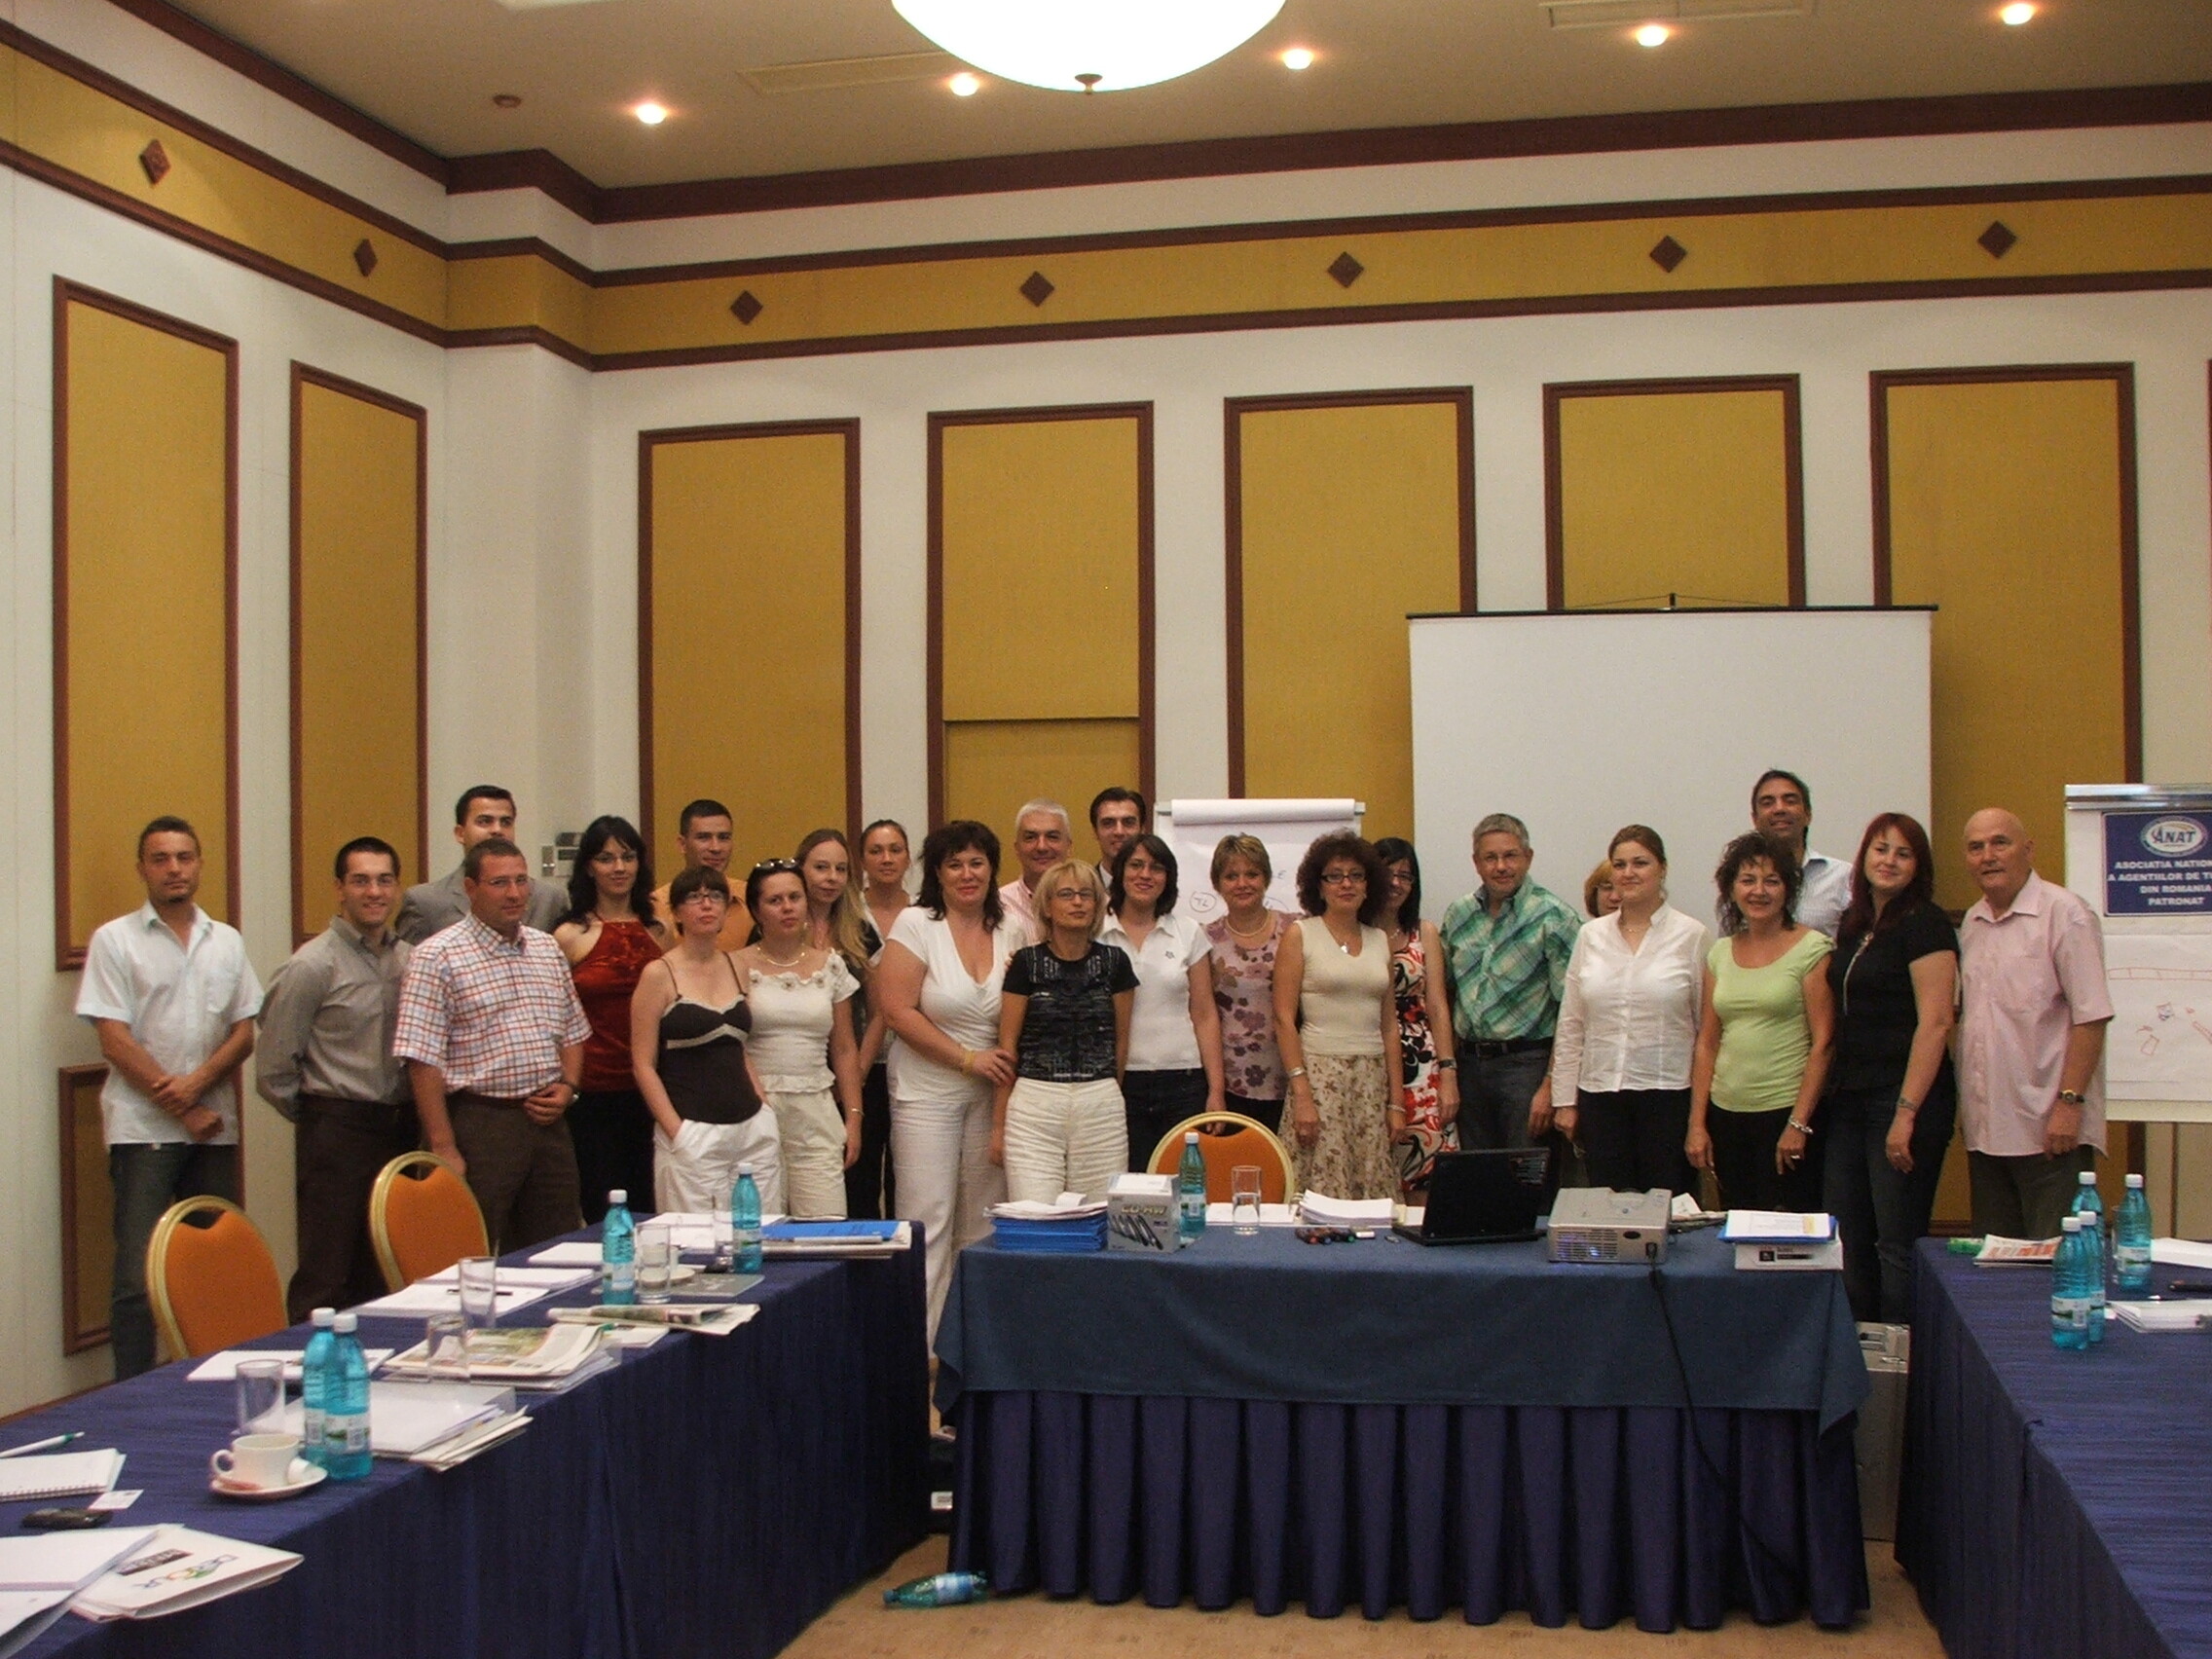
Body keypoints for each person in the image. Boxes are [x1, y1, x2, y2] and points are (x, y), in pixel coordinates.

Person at [76, 817, 262, 1379]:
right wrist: (186, 1106)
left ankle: (217, 1385)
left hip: (215, 1130)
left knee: (216, 1265)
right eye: (160, 859)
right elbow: (113, 1039)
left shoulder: (226, 940)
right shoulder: (115, 940)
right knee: (138, 1279)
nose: (174, 869)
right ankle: (132, 1396)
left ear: (199, 864)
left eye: (184, 857)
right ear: (142, 869)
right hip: (143, 1131)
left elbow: (244, 1032)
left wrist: (199, 1087)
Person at [392, 837, 590, 1252]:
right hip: (479, 1122)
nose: (515, 893)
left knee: (557, 1250)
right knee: (467, 1251)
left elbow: (573, 1031)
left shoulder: (545, 948)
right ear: (470, 888)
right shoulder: (437, 956)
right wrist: (444, 1146)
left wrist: (569, 1087)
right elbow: (421, 1059)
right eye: (500, 883)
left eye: (521, 881)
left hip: (548, 1122)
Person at [876, 820, 1025, 1336]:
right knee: (928, 1220)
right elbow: (896, 1010)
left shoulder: (1013, 929)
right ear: (937, 873)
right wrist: (966, 1059)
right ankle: (915, 1349)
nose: (967, 874)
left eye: (977, 863)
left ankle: (969, 1344)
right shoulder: (915, 924)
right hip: (926, 1093)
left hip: (992, 1094)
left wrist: (992, 1074)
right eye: (955, 864)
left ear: (992, 869)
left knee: (983, 1223)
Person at [257, 835, 414, 1320]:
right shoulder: (311, 965)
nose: (374, 892)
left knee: (384, 1267)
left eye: (384, 880)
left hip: (401, 1127)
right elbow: (274, 1069)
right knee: (327, 1270)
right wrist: (322, 1117)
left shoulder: (410, 959)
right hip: (336, 1128)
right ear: (339, 889)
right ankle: (311, 1362)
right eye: (360, 881)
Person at [1823, 813, 1959, 1322]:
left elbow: (1937, 1022)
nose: (1889, 861)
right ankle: (1859, 1352)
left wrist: (1906, 1114)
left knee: (1896, 1243)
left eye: (1904, 853)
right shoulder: (1856, 925)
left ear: (1918, 866)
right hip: (1850, 1099)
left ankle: (1902, 1358)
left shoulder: (1926, 924)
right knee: (1848, 1235)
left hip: (1903, 1101)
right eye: (1881, 850)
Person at [1956, 808, 2112, 1240]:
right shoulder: (1972, 922)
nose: (1988, 855)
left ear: (2028, 849)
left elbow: (2092, 1016)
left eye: (2000, 843)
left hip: (2050, 1130)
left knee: (2054, 1263)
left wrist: (2069, 1105)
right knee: (1999, 1265)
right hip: (1987, 1132)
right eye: (1976, 847)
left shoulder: (2066, 913)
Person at [1547, 826, 1710, 1197]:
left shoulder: (1691, 935)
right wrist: (1565, 1101)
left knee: (1668, 1207)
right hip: (1600, 1095)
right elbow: (1572, 1023)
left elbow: (1706, 1031)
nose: (1628, 873)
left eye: (1640, 863)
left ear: (1662, 869)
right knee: (1608, 1208)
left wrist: (1699, 1117)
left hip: (1667, 1095)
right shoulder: (1591, 936)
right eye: (1619, 865)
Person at [1686, 832, 1835, 1210]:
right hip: (1726, 1115)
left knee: (1787, 1229)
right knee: (1736, 1226)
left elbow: (1823, 1043)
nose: (1759, 891)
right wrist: (1697, 1124)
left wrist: (1798, 1124)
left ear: (1788, 889)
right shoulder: (1720, 952)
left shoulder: (1813, 948)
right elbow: (1707, 1042)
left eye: (1772, 881)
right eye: (1748, 880)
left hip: (1785, 1114)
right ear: (1731, 888)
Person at [630, 866, 781, 1215]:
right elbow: (642, 1064)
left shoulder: (736, 966)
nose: (706, 905)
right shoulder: (658, 974)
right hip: (693, 1130)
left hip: (752, 1128)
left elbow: (739, 1047)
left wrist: (765, 1108)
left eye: (715, 896)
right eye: (694, 897)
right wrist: (677, 1131)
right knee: (697, 1241)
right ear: (676, 912)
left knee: (761, 1232)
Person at [991, 859, 1137, 1201]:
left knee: (1098, 1215)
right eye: (1067, 894)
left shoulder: (1116, 962)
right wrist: (998, 1126)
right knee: (1034, 1214)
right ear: (1046, 906)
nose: (1078, 902)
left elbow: (1121, 1042)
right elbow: (1007, 1048)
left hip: (1100, 1105)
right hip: (1034, 1105)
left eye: (1086, 894)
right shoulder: (1025, 963)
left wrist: (1104, 1093)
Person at [1440, 813, 1580, 1154]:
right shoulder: (1458, 915)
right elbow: (1445, 991)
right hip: (1469, 1068)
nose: (1501, 866)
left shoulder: (1554, 916)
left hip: (1527, 1067)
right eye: (1490, 857)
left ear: (1528, 857)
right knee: (1478, 1174)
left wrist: (1551, 1086)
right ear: (1476, 863)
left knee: (1525, 1174)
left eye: (1510, 856)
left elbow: (1572, 1012)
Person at [1273, 833, 1403, 1200]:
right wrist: (1302, 1095)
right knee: (1322, 1190)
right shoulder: (1300, 934)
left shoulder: (1379, 939)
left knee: (1370, 1190)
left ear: (1369, 884)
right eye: (1335, 876)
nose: (1346, 884)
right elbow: (1283, 1019)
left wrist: (1396, 1103)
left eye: (1356, 875)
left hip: (1371, 1079)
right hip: (1319, 1078)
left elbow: (1389, 1026)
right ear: (1318, 885)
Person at [735, 858, 865, 1217]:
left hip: (816, 1110)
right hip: (754, 1109)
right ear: (756, 911)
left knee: (826, 1225)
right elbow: (732, 1045)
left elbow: (844, 1048)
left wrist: (854, 1116)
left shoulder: (831, 965)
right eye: (775, 900)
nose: (787, 908)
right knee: (760, 1225)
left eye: (795, 897)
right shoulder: (734, 966)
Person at [554, 816, 667, 1223]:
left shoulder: (660, 932)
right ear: (588, 866)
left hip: (651, 1090)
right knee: (601, 1210)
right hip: (592, 1094)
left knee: (649, 1206)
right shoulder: (568, 935)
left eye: (628, 857)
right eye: (606, 858)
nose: (619, 867)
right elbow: (556, 1018)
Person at [1103, 836, 1226, 1169]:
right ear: (1120, 872)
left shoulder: (1188, 931)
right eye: (1136, 865)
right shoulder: (1096, 931)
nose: (1145, 875)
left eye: (1156, 868)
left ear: (1168, 877)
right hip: (1118, 1082)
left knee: (1183, 1184)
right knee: (1127, 1184)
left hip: (1183, 1083)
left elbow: (1204, 1014)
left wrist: (1216, 1090)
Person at [1374, 838, 1460, 1192]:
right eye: (1388, 873)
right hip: (1368, 1063)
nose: (1396, 883)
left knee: (1427, 1176)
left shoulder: (1424, 932)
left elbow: (1437, 1004)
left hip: (1422, 1071)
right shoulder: (1352, 932)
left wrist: (1448, 1073)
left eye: (1405, 876)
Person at [1203, 835, 1295, 1135]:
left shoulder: (1295, 930)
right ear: (1217, 884)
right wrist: (1215, 1090)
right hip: (1231, 1084)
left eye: (1252, 874)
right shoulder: (1206, 939)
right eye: (1231, 876)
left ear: (1265, 878)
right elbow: (1203, 1014)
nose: (1242, 883)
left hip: (1291, 1079)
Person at [396, 785, 566, 942]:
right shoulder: (425, 902)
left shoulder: (549, 899)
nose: (497, 830)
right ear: (460, 833)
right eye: (484, 821)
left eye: (506, 822)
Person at [851, 818, 912, 1218]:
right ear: (862, 860)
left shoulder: (928, 910)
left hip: (915, 1057)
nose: (886, 858)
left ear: (908, 858)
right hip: (860, 1060)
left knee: (905, 1174)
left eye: (895, 850)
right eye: (876, 851)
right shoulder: (847, 913)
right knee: (861, 1170)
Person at [1738, 769, 1852, 938]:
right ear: (1755, 819)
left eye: (1790, 801)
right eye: (1768, 803)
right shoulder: (1740, 883)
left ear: (1808, 815)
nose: (1779, 809)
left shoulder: (1843, 877)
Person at [649, 797, 751, 948]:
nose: (716, 848)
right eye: (704, 837)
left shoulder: (751, 898)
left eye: (724, 838)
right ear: (682, 844)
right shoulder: (656, 907)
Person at [998, 799, 1073, 941]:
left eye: (1052, 837)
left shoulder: (1092, 903)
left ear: (1068, 847)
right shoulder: (997, 905)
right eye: (1030, 838)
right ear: (1017, 848)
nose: (1041, 847)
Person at [1088, 788, 1149, 869]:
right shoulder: (1084, 878)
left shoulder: (1158, 877)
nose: (1119, 832)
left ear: (1142, 829)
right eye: (1108, 823)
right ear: (1095, 831)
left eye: (1128, 822)